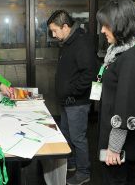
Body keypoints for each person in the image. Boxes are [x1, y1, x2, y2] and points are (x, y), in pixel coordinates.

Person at [96, 0, 135, 185]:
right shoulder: (126, 51)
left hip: (120, 145)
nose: (102, 30)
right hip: (122, 142)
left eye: (106, 25)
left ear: (120, 24)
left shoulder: (132, 58)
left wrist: (113, 148)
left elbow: (126, 106)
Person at [47, 10, 97, 185]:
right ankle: (72, 163)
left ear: (65, 26)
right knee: (67, 134)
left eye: (55, 30)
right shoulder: (67, 41)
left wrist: (72, 92)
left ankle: (84, 172)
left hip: (77, 102)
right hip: (67, 101)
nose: (53, 35)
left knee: (78, 138)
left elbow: (89, 73)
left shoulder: (82, 43)